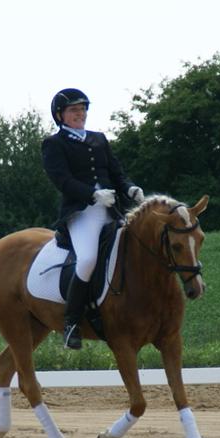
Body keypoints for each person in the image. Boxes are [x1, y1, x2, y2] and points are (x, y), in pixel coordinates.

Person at [41, 88, 144, 350]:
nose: (80, 114)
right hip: (82, 214)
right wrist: (93, 194)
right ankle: (72, 323)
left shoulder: (99, 139)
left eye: (83, 109)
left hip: (112, 212)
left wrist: (130, 188)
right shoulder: (54, 144)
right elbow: (62, 180)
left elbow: (116, 172)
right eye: (74, 110)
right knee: (87, 260)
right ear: (60, 115)